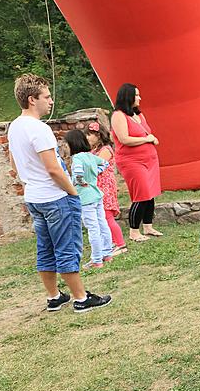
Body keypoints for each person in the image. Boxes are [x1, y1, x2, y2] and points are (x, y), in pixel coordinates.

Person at [7, 73, 112, 313]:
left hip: (34, 197)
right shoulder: (39, 129)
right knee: (67, 246)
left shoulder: (14, 127)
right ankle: (81, 298)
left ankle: (54, 296)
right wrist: (73, 192)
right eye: (47, 96)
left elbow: (14, 166)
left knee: (45, 248)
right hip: (55, 198)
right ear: (32, 100)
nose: (51, 101)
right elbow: (54, 168)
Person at [111, 83, 162, 243]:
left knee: (150, 193)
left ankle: (148, 226)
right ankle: (134, 231)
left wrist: (151, 138)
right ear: (128, 96)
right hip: (132, 161)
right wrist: (146, 139)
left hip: (150, 160)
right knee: (141, 194)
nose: (140, 98)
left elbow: (146, 132)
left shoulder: (138, 115)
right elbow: (124, 138)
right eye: (137, 95)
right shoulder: (118, 115)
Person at [67, 129, 114, 269]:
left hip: (85, 197)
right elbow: (105, 163)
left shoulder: (77, 159)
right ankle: (107, 253)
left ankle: (96, 259)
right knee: (102, 224)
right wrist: (95, 174)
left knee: (92, 228)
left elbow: (78, 174)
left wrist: (78, 183)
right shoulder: (90, 156)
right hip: (96, 194)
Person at [87, 120, 126, 255]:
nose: (87, 138)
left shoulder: (105, 150)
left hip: (105, 186)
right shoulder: (92, 150)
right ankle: (110, 243)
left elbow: (96, 166)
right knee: (101, 217)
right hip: (96, 187)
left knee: (107, 216)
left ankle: (120, 244)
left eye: (89, 135)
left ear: (98, 136)